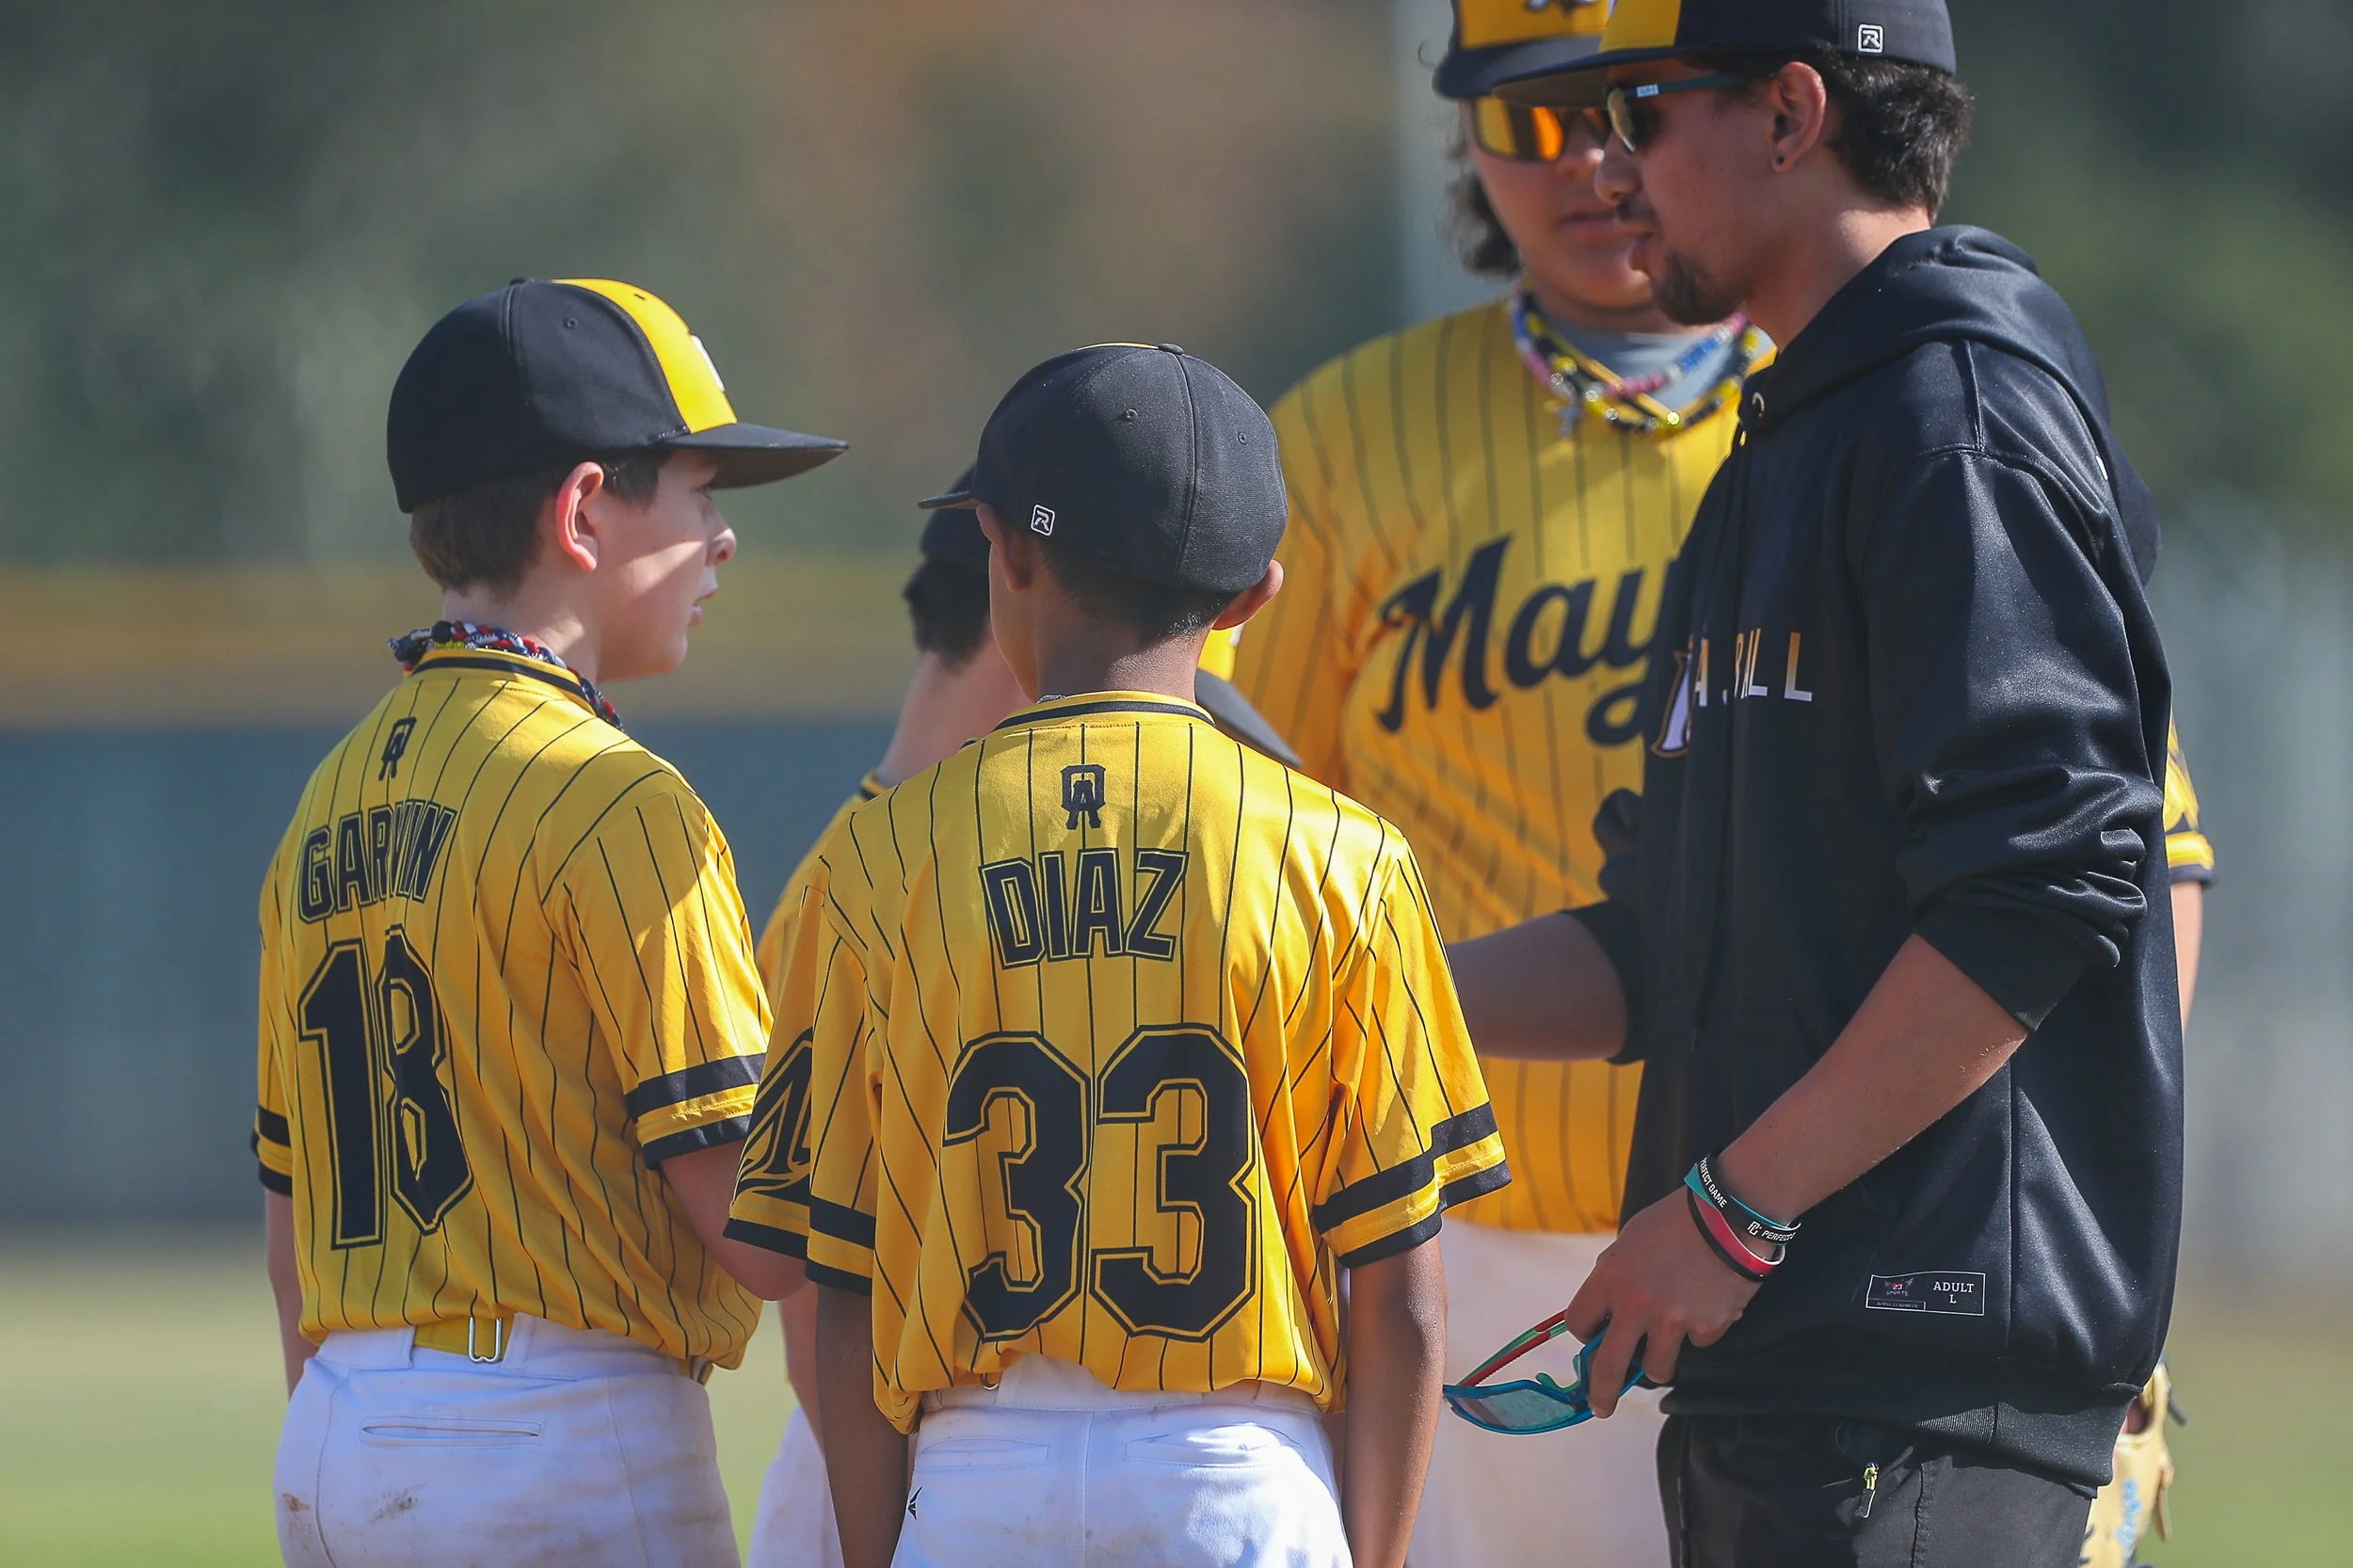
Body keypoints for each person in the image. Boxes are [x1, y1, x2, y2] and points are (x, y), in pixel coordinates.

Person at [1452, 4, 2183, 1560]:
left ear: (1789, 115)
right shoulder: (1780, 449)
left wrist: (1731, 1209)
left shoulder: (1952, 419)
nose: (1613, 160)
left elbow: (2036, 888)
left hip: (1921, 1376)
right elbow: (1667, 944)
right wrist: (1367, 994)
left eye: (1650, 109)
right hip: (1789, 1378)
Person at [726, 343, 1507, 1568]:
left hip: (979, 1468)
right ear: (1255, 595)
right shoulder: (1345, 853)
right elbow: (1402, 1294)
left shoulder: (878, 858)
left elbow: (844, 1286)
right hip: (1232, 1473)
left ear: (1006, 550)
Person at [1230, 2, 1760, 1560]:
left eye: (1639, 108)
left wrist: (2092, 1257)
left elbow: (2135, 847)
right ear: (1466, 137)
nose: (1595, 161)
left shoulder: (1874, 407)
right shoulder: (1337, 442)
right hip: (1451, 1238)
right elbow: (1238, 841)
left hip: (1806, 1224)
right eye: (1538, 118)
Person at [254, 277, 827, 1567]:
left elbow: (290, 1214)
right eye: (696, 491)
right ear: (582, 509)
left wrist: (359, 1435)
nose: (721, 537)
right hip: (554, 1428)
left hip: (342, 1421)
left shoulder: (328, 797)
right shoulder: (614, 798)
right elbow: (756, 1220)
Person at [741, 487, 1304, 1568]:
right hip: (898, 1464)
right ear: (1026, 613)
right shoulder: (865, 894)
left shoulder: (857, 874)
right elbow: (821, 1299)